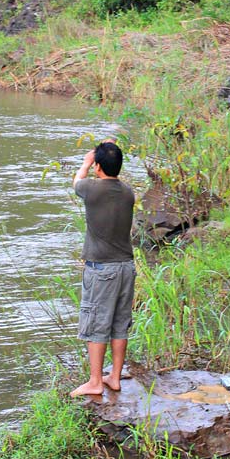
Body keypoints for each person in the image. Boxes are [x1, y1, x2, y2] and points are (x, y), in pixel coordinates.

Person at [70, 140, 135, 398]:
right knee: (120, 323)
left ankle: (96, 381)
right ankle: (115, 377)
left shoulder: (91, 190)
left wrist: (85, 163)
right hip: (126, 268)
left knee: (97, 323)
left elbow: (76, 181)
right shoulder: (128, 192)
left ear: (97, 166)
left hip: (102, 270)